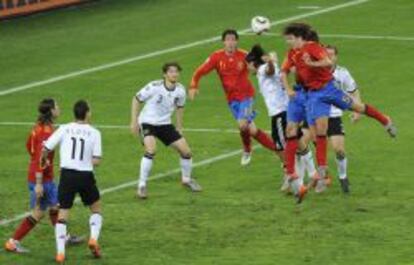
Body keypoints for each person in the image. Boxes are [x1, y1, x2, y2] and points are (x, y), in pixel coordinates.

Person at [281, 23, 397, 200]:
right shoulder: (292, 53)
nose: (288, 42)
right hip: (314, 95)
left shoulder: (312, 47)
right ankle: (320, 170)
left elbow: (327, 62)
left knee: (358, 107)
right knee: (319, 130)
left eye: (290, 38)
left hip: (330, 89)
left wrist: (312, 63)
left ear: (299, 37)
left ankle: (384, 120)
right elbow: (285, 70)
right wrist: (290, 86)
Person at [4, 98, 82, 254]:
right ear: (51, 111)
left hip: (40, 174)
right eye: (57, 106)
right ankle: (13, 242)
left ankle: (64, 238)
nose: (59, 108)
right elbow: (41, 156)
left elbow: (29, 147)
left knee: (55, 207)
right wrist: (39, 182)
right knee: (40, 212)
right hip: (42, 178)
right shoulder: (46, 132)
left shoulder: (38, 128)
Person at [189, 29, 277, 166]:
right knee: (251, 130)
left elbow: (261, 65)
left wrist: (267, 59)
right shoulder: (216, 57)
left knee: (242, 125)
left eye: (233, 39)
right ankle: (278, 149)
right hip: (232, 100)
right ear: (223, 41)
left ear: (236, 41)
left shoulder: (244, 55)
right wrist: (193, 85)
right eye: (228, 39)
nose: (230, 42)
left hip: (247, 96)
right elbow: (199, 71)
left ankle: (247, 150)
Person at [41, 100, 103, 263]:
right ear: (87, 113)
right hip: (85, 176)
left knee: (63, 213)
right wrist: (84, 161)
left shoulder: (64, 128)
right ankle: (93, 239)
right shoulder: (95, 133)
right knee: (96, 209)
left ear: (75, 114)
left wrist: (45, 163)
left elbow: (46, 149)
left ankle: (60, 253)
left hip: (67, 175)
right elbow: (96, 160)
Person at [130, 62, 202, 199]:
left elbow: (180, 108)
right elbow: (136, 99)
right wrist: (134, 121)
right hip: (147, 123)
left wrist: (179, 127)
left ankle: (186, 180)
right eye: (171, 71)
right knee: (151, 150)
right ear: (165, 74)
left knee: (186, 152)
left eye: (176, 71)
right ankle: (142, 185)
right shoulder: (154, 87)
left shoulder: (180, 90)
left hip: (165, 124)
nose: (174, 74)